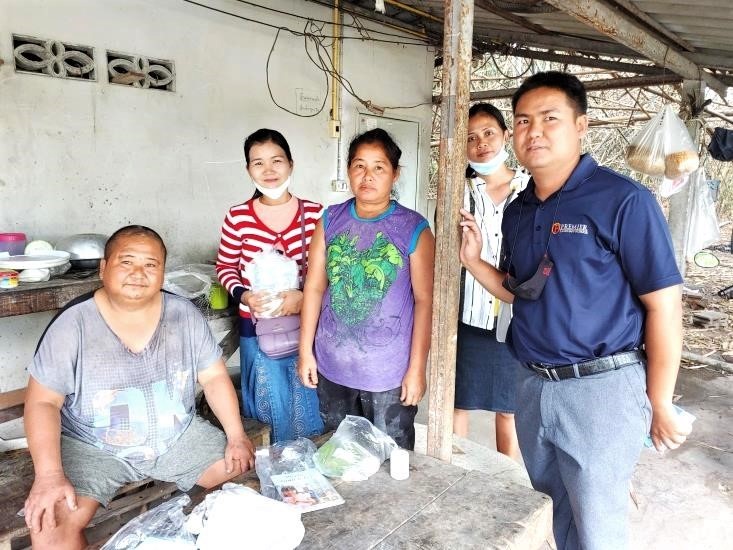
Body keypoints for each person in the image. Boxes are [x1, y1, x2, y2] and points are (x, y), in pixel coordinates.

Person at [459, 72, 691, 550]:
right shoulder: (520, 210)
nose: (534, 132)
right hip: (533, 385)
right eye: (524, 121)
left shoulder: (623, 200)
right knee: (555, 510)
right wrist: (474, 261)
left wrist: (660, 401)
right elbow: (519, 292)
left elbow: (664, 305)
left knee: (598, 526)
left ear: (581, 126)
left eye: (550, 118)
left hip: (600, 388)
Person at [23, 225, 255, 550]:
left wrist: (236, 436)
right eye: (127, 262)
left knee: (245, 482)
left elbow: (214, 377)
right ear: (103, 268)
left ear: (162, 272)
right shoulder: (73, 324)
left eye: (150, 264)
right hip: (92, 446)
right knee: (50, 527)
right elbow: (43, 402)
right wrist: (49, 476)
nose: (138, 273)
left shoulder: (184, 315)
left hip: (177, 437)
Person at [298, 128, 434, 450]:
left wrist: (417, 369)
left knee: (390, 457)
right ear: (348, 170)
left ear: (395, 174)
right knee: (340, 454)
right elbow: (314, 288)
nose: (367, 176)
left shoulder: (413, 228)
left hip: (387, 373)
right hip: (333, 366)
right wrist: (306, 352)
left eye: (379, 167)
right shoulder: (330, 220)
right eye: (359, 165)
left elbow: (424, 301)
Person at [216, 128, 323, 442]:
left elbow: (329, 271)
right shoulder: (237, 217)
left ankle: (309, 461)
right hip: (256, 327)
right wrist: (244, 296)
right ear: (248, 169)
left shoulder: (316, 214)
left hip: (307, 326)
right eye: (258, 163)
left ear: (291, 164)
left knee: (308, 398)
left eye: (277, 160)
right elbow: (225, 267)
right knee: (268, 404)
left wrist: (303, 297)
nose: (269, 170)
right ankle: (272, 465)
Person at [454, 103, 529, 460]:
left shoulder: (531, 189)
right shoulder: (459, 192)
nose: (481, 143)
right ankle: (456, 472)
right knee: (459, 401)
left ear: (506, 135)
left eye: (488, 133)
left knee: (508, 408)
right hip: (467, 315)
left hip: (515, 318)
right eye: (471, 138)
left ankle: (506, 478)